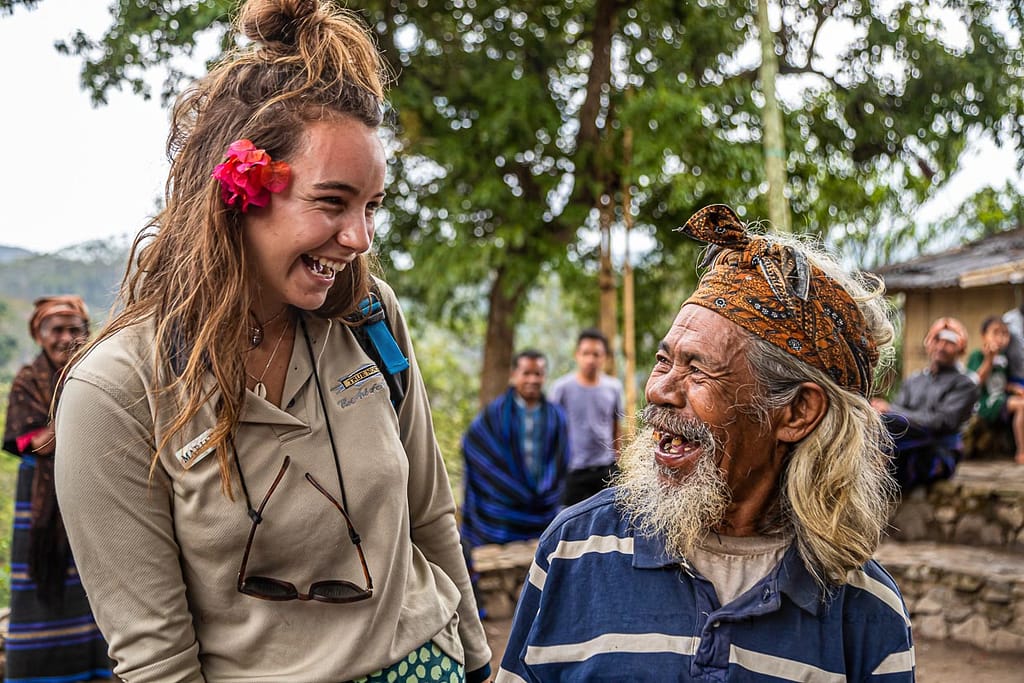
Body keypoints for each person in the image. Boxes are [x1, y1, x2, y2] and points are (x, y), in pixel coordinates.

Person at [52, 1, 490, 681]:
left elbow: (429, 513)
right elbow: (157, 657)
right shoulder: (116, 392)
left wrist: (481, 666)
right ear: (238, 192)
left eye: (371, 207)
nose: (360, 239)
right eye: (332, 202)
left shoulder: (368, 319)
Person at [498, 204, 914, 681]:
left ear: (797, 413)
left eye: (697, 369)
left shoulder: (864, 610)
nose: (658, 389)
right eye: (663, 359)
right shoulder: (574, 550)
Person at [2, 295, 112, 682]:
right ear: (39, 335)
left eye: (74, 329)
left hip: (92, 490)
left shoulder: (95, 374)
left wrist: (61, 436)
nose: (66, 338)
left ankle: (98, 667)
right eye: (57, 330)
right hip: (40, 504)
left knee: (95, 578)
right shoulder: (27, 381)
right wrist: (67, 434)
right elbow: (19, 440)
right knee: (39, 583)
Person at [461, 349, 569, 547]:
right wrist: (504, 486)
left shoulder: (556, 416)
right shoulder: (496, 413)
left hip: (543, 506)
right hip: (504, 508)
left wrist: (544, 490)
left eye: (538, 374)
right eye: (526, 373)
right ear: (514, 375)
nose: (532, 379)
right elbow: (473, 446)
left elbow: (561, 458)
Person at [871, 317, 978, 491]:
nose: (941, 347)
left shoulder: (965, 384)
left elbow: (942, 421)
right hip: (901, 450)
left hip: (937, 453)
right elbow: (894, 418)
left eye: (949, 342)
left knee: (885, 423)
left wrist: (890, 410)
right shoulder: (914, 380)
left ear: (961, 348)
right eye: (937, 340)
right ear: (928, 343)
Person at [549, 329, 624, 506]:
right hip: (573, 470)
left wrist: (617, 458)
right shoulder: (561, 388)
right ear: (577, 355)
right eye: (586, 353)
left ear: (604, 357)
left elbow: (616, 426)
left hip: (606, 468)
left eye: (596, 354)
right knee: (569, 523)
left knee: (610, 520)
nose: (591, 359)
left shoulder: (613, 388)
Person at [964, 316, 1024, 464]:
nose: (1001, 338)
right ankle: (1021, 452)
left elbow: (1003, 383)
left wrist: (1015, 388)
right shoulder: (977, 355)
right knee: (1022, 406)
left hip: (1001, 400)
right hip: (985, 404)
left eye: (1005, 334)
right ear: (983, 335)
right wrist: (988, 360)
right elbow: (975, 382)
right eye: (996, 333)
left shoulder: (1004, 358)